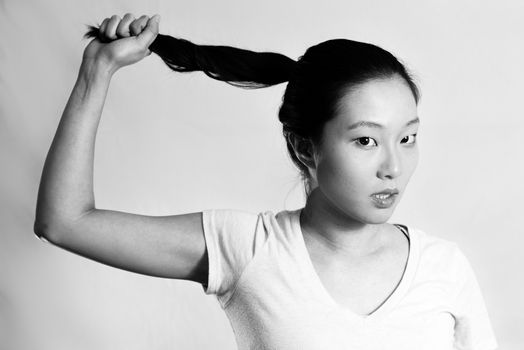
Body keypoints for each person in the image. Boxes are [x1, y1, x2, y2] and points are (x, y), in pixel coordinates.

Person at [34, 13, 498, 350]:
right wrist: (96, 73)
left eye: (409, 137)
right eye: (365, 141)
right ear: (305, 148)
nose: (394, 166)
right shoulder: (249, 249)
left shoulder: (444, 267)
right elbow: (65, 221)